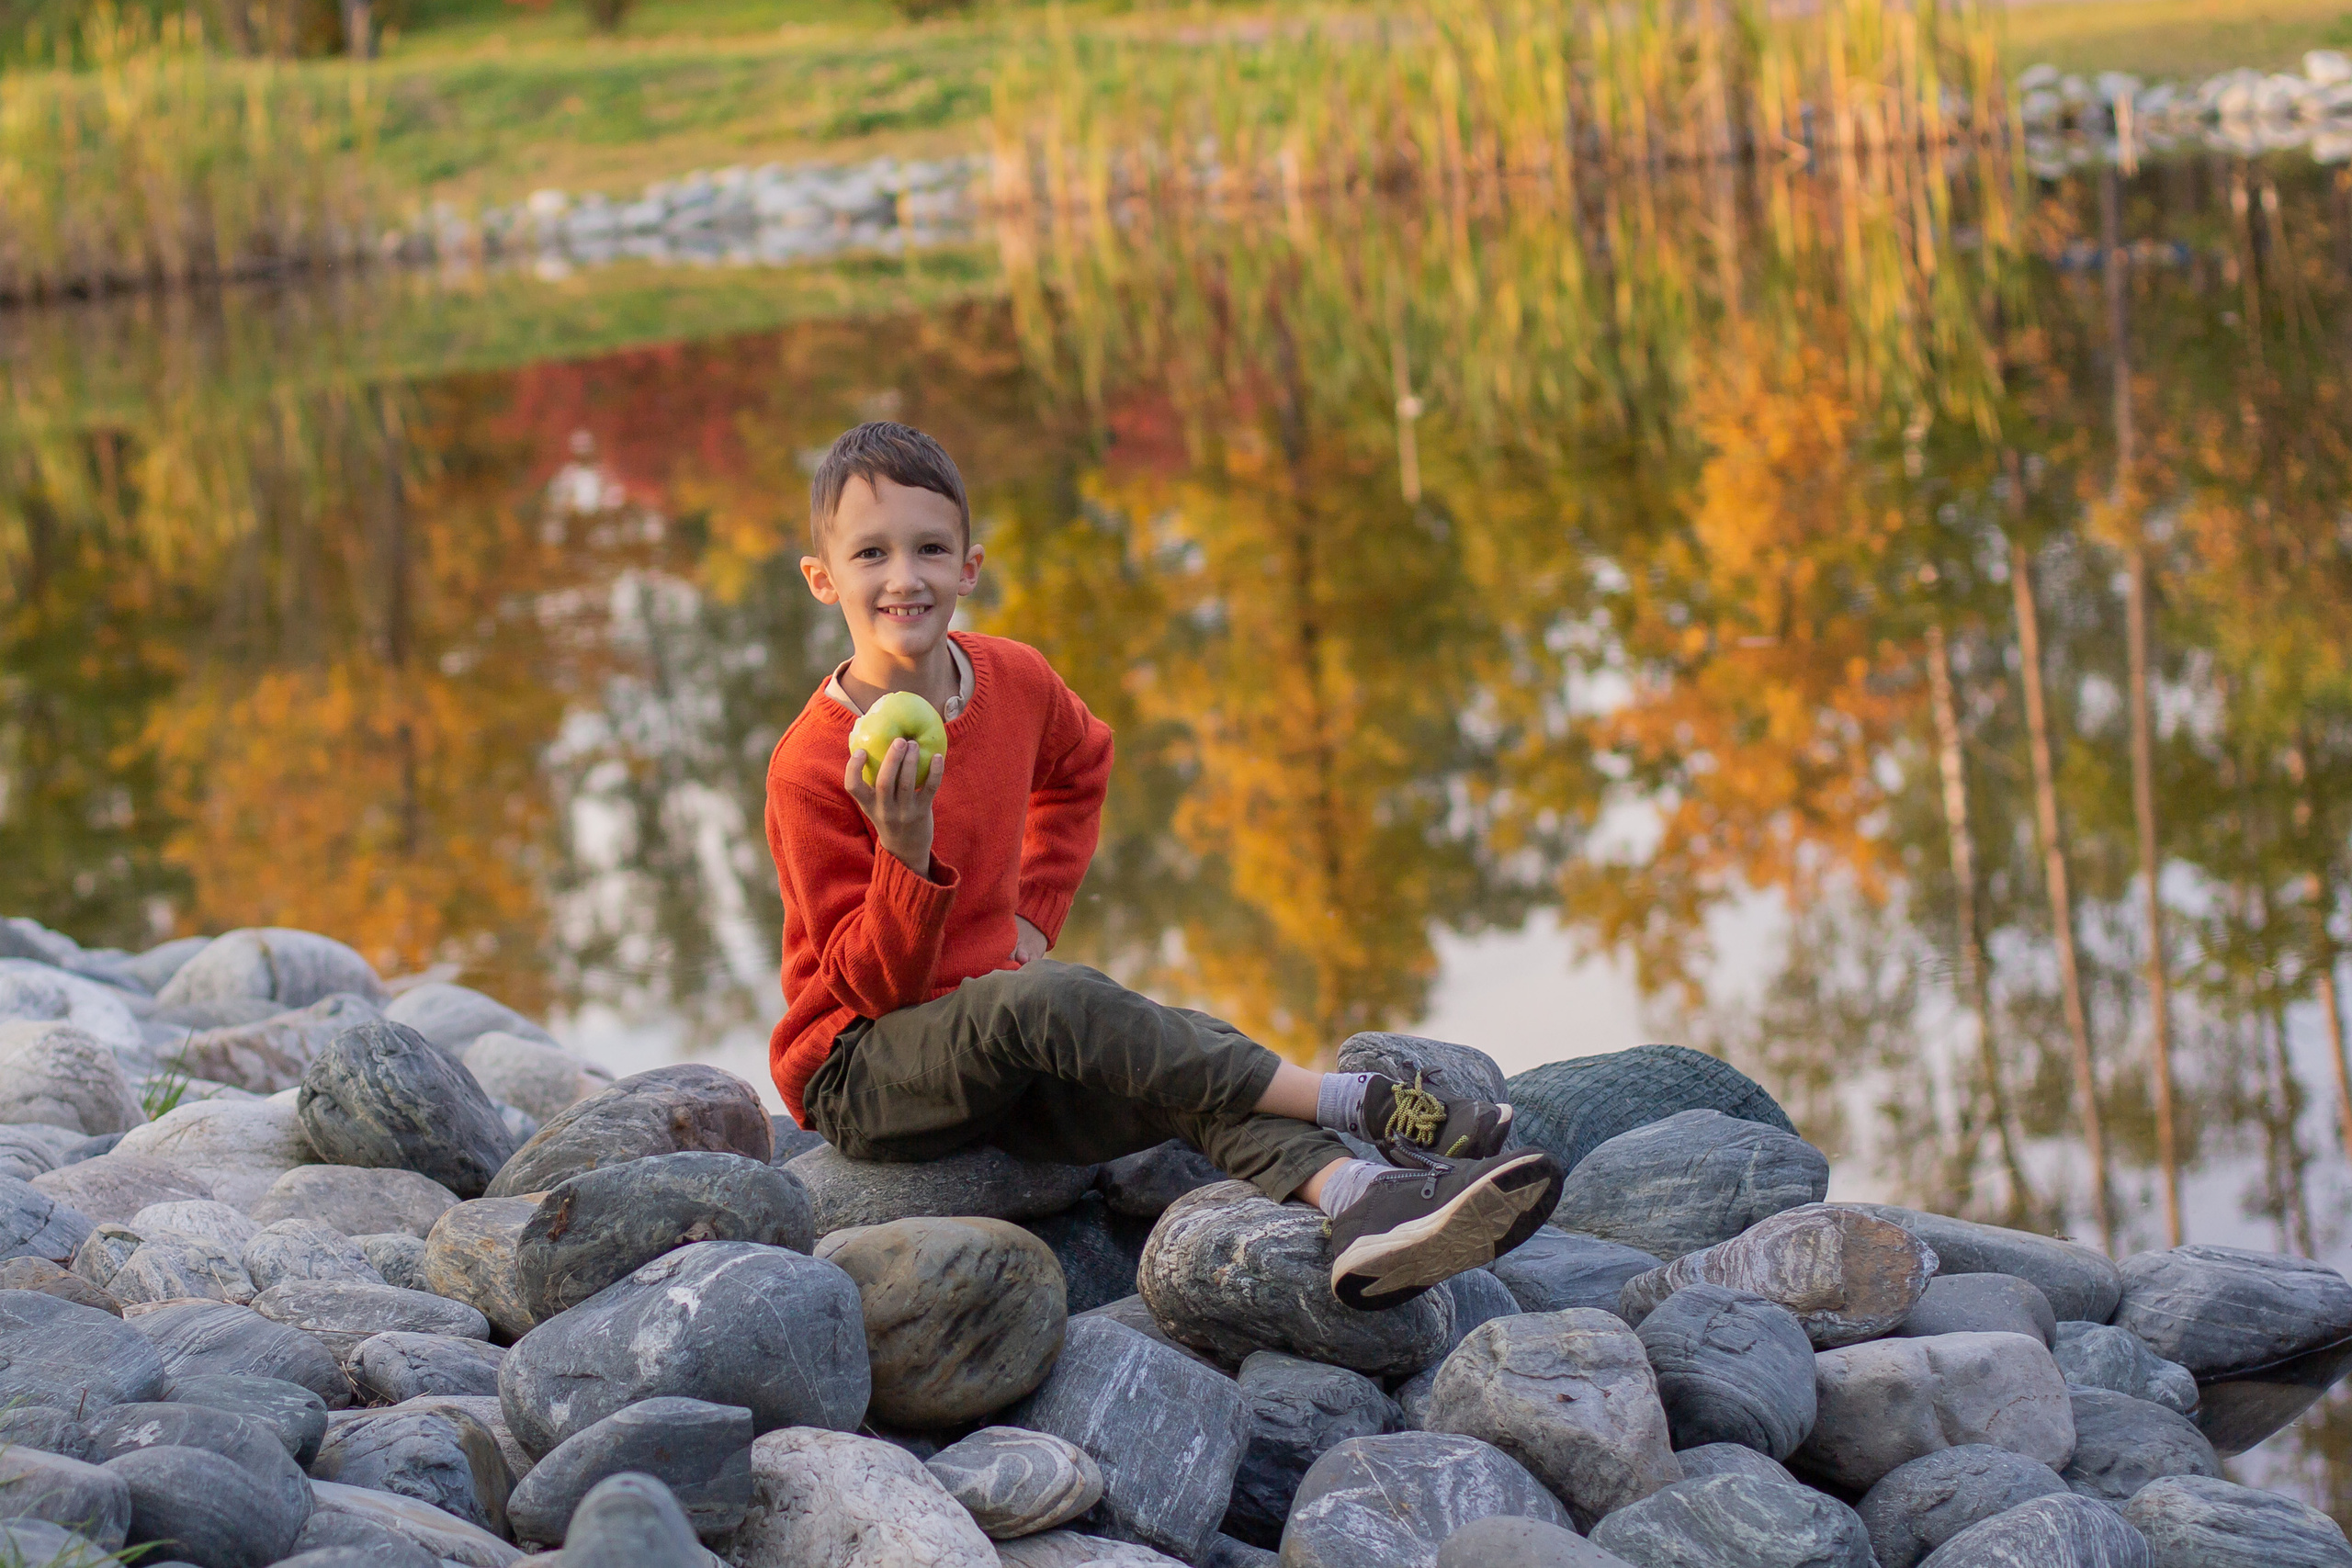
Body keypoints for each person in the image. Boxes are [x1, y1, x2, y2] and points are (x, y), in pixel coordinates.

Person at [763, 421, 1562, 1308]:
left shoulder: (1013, 680)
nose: (905, 577)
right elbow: (872, 992)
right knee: (1061, 1003)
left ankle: (1359, 1199)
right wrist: (905, 857)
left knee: (1163, 1065)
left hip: (996, 1035)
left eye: (930, 548)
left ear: (970, 565)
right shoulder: (812, 767)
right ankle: (1354, 1099)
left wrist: (1033, 911)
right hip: (864, 1067)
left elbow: (1082, 763)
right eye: (871, 553)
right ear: (823, 577)